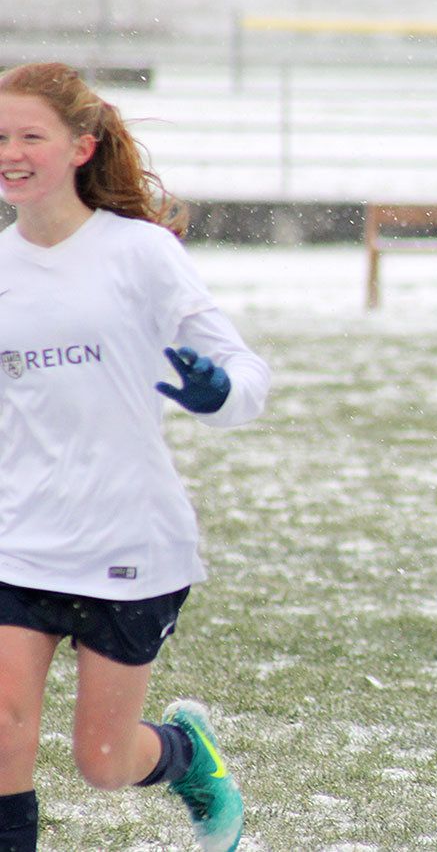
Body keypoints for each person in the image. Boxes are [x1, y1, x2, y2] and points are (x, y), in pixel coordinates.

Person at [0, 62, 270, 852]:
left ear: (82, 146)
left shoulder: (141, 253)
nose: (10, 152)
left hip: (129, 539)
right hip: (20, 537)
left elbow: (248, 379)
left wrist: (216, 391)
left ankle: (188, 755)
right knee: (4, 736)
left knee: (104, 761)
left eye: (30, 136)